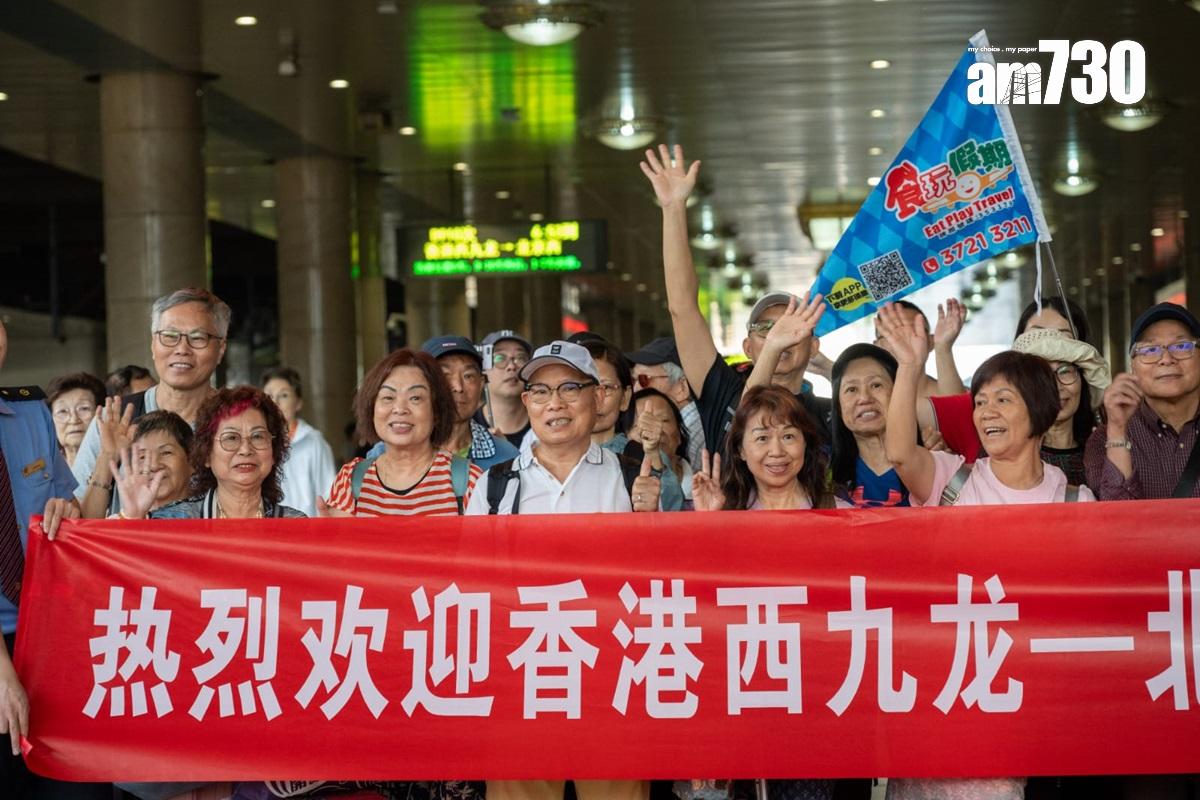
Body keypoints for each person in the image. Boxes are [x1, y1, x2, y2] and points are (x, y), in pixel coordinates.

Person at [878, 301, 1094, 800]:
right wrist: (910, 365)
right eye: (980, 401)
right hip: (942, 689)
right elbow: (900, 453)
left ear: (1039, 410)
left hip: (1018, 703)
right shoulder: (952, 478)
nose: (986, 412)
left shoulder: (1074, 502)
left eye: (1003, 400)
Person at [466, 340, 657, 800]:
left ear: (598, 396)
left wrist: (652, 522)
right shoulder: (494, 487)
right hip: (521, 679)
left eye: (570, 388)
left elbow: (659, 586)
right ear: (526, 400)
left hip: (612, 682)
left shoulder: (633, 478)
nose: (555, 403)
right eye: (541, 391)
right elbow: (471, 586)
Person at [641, 143, 830, 455]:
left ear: (813, 347)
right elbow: (683, 309)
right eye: (765, 329)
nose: (779, 336)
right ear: (747, 348)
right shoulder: (721, 390)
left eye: (791, 328)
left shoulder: (831, 414)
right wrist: (673, 209)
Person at [0, 319, 107, 800]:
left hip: (52, 633)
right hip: (4, 646)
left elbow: (70, 510)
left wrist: (71, 509)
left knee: (75, 785)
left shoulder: (30, 413)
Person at [72, 287, 231, 513]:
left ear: (221, 348)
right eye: (170, 336)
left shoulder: (238, 421)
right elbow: (78, 519)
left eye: (197, 338)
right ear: (153, 344)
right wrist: (107, 460)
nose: (182, 349)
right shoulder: (116, 418)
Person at [925, 296, 1094, 463]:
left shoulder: (1101, 447)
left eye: (1065, 370)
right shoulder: (994, 438)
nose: (1053, 384)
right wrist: (941, 349)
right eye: (1037, 336)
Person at [324, 349, 483, 518]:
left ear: (436, 411)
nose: (400, 409)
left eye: (415, 398)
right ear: (371, 409)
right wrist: (328, 531)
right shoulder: (351, 480)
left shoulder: (469, 480)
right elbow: (338, 536)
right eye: (388, 397)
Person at [117, 387, 301, 520]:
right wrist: (132, 518)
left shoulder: (295, 524)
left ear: (273, 452)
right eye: (231, 438)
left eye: (258, 436)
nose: (245, 450)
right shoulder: (171, 521)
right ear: (206, 454)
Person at [1084, 302, 1200, 499]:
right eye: (1150, 350)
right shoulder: (1103, 441)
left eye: (1181, 346)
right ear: (1133, 366)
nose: (1166, 359)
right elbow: (1116, 513)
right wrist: (1118, 431)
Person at [692, 385, 841, 513]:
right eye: (762, 438)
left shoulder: (840, 513)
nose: (777, 451)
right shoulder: (724, 514)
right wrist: (708, 521)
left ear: (805, 442)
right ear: (741, 450)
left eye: (788, 436)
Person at [581, 338, 685, 511]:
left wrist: (653, 456)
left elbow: (672, 511)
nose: (596, 398)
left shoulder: (642, 455)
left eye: (606, 387)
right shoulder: (546, 458)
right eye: (585, 387)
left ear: (625, 397)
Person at [1011, 329, 1109, 487]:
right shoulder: (1005, 457)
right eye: (1042, 376)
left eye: (1065, 371)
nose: (1057, 387)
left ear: (1082, 381)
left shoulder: (1104, 450)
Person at [829, 344, 909, 507]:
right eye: (852, 389)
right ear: (838, 404)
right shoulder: (821, 468)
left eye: (876, 385)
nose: (865, 398)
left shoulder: (931, 465)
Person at [262, 366, 337, 517]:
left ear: (298, 403)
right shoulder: (257, 443)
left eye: (284, 395)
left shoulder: (314, 442)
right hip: (268, 527)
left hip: (307, 527)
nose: (275, 402)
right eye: (269, 395)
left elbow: (329, 494)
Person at [626, 337, 706, 470]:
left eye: (644, 379)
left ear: (682, 388)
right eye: (633, 380)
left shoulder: (694, 432)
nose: (636, 388)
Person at [872, 298, 967, 398]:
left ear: (931, 342)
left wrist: (943, 348)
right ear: (877, 345)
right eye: (893, 332)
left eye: (915, 331)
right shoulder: (868, 399)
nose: (905, 340)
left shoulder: (971, 396)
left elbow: (957, 404)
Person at [107, 411, 193, 515]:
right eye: (142, 457)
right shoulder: (122, 520)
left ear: (192, 461)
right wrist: (133, 517)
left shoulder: (208, 514)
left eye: (166, 453)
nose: (154, 466)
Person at [629, 387, 692, 508]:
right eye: (642, 423)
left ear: (679, 434)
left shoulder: (706, 485)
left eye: (664, 420)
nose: (655, 429)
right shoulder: (622, 489)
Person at [480, 329, 534, 448]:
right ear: (483, 371)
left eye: (521, 358)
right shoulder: (468, 427)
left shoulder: (544, 425)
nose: (511, 366)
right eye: (499, 358)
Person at [45, 372, 105, 467]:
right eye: (62, 411)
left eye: (84, 408)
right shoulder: (44, 469)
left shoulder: (120, 466)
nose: (74, 420)